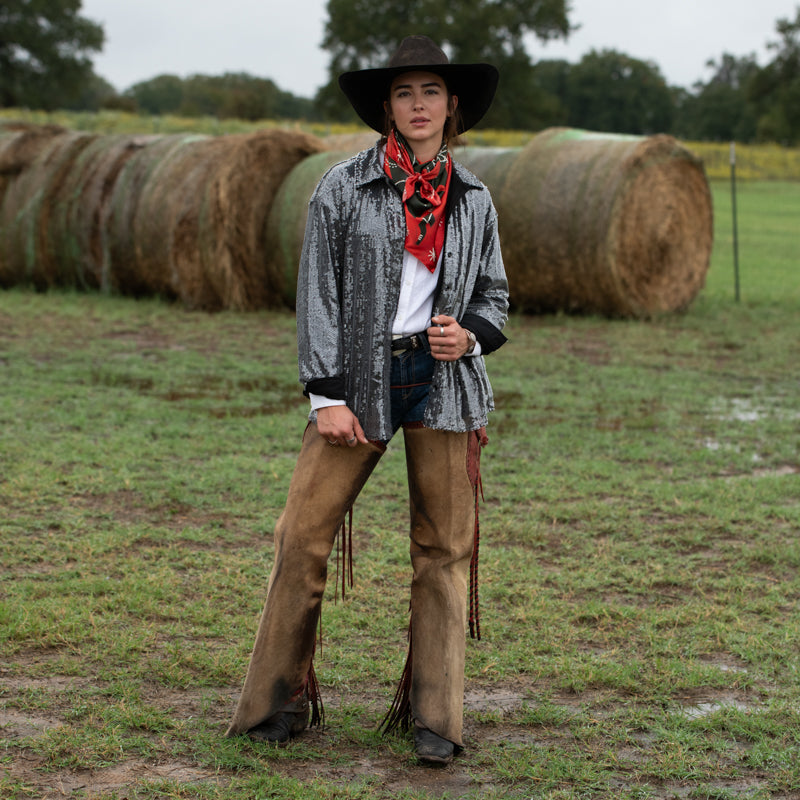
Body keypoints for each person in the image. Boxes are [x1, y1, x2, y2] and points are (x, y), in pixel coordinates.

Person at [226, 34, 509, 766]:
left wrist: (469, 337)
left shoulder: (475, 199)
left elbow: (495, 299)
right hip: (357, 382)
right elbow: (316, 291)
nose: (418, 105)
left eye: (431, 93)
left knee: (443, 551)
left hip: (443, 385)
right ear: (387, 107)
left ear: (452, 108)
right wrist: (325, 392)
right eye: (404, 93)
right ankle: (275, 705)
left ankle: (437, 721)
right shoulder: (342, 187)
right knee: (302, 537)